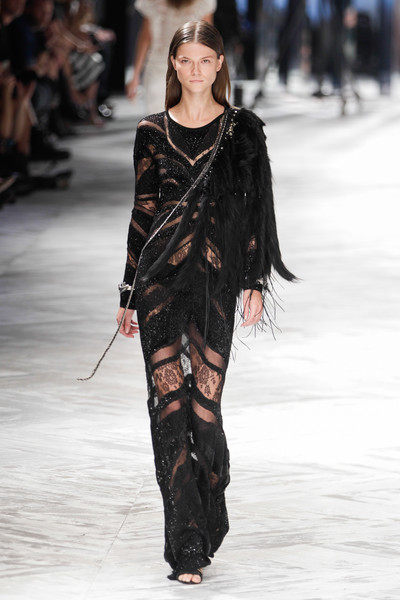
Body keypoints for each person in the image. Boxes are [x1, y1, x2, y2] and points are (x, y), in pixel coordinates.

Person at [116, 20, 296, 584]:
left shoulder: (242, 131)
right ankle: (186, 544)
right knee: (168, 409)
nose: (195, 70)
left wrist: (254, 281)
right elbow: (144, 211)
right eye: (185, 60)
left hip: (216, 283)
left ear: (219, 65)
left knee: (204, 412)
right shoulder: (151, 131)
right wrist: (127, 291)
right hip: (159, 285)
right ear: (174, 64)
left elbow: (255, 212)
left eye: (205, 60)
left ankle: (210, 497)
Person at [126, 0, 215, 113]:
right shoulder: (152, 2)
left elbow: (207, 39)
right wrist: (135, 75)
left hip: (186, 69)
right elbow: (145, 37)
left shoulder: (203, 3)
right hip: (162, 67)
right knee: (160, 115)